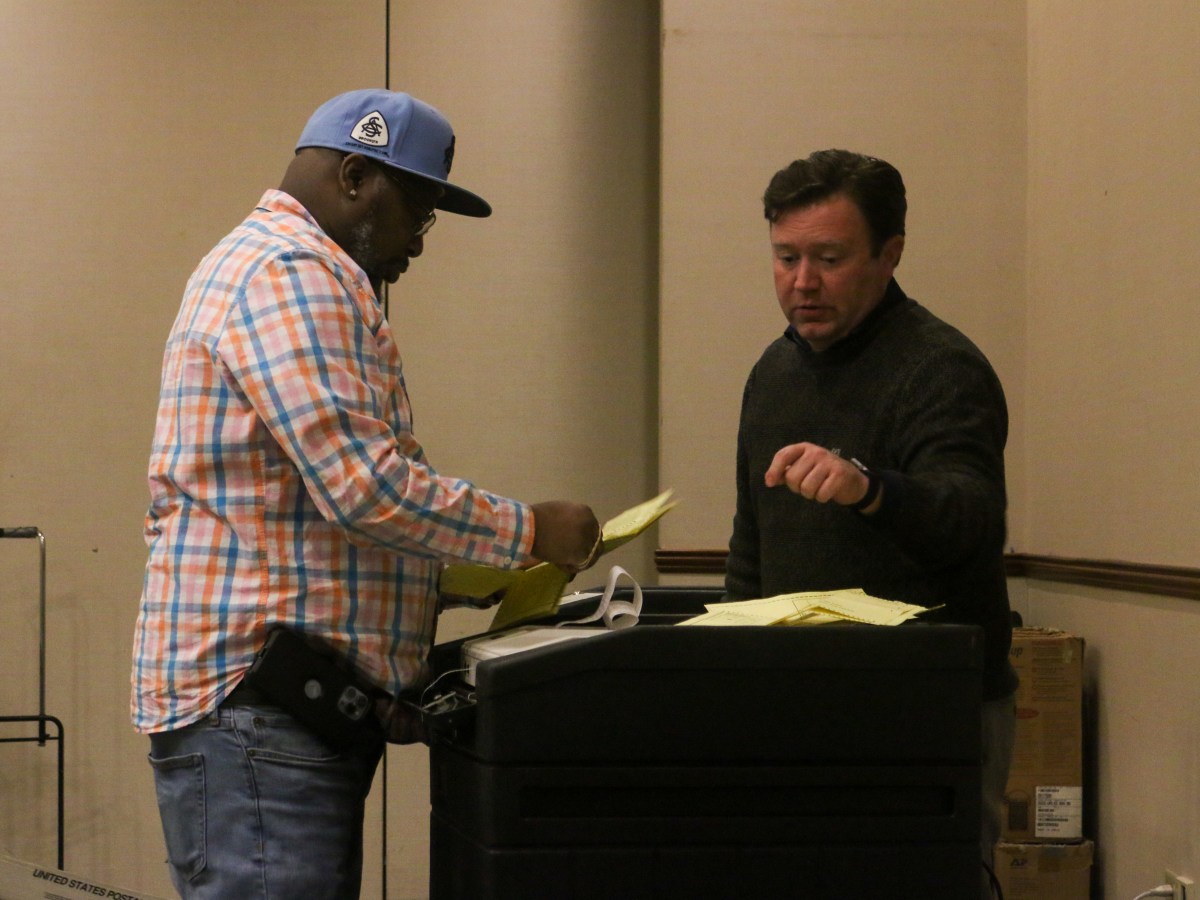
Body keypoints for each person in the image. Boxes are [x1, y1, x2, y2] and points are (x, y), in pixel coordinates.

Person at [130, 88, 601, 899]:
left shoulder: (287, 269)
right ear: (355, 176)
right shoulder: (291, 273)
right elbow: (364, 488)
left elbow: (314, 518)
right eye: (415, 211)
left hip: (284, 720)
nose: (419, 243)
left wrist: (431, 613)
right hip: (259, 725)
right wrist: (531, 532)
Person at [723, 149, 1017, 898]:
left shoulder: (940, 366)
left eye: (829, 257)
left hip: (925, 711)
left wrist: (870, 489)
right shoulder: (772, 372)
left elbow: (970, 516)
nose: (802, 282)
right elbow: (752, 545)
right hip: (800, 703)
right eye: (785, 257)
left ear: (890, 256)